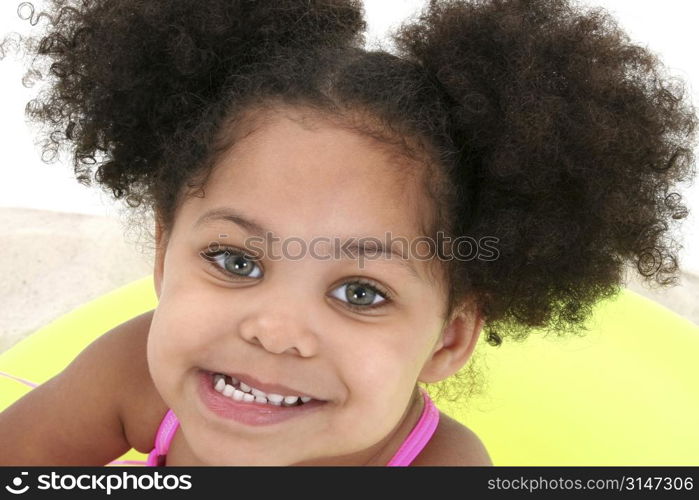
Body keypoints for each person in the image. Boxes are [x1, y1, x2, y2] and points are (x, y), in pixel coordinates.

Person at [0, 0, 696, 466]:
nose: (274, 332)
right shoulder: (133, 374)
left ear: (447, 339)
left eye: (360, 292)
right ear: (161, 253)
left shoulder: (440, 471)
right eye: (234, 260)